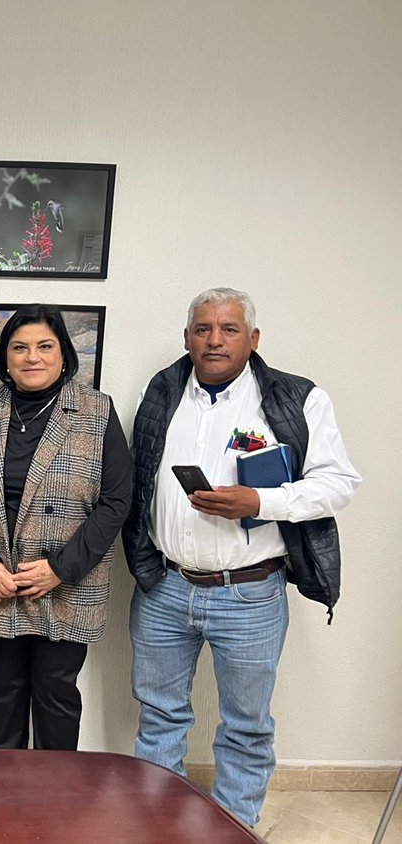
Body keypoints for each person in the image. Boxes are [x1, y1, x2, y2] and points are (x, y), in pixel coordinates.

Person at [123, 287, 360, 827]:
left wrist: (261, 501)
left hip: (250, 593)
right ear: (187, 338)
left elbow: (339, 483)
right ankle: (157, 829)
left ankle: (234, 828)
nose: (214, 340)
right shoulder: (161, 391)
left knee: (246, 725)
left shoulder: (295, 399)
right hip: (163, 587)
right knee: (159, 717)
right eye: (203, 329)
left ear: (253, 339)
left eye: (229, 329)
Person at [0, 305, 131, 751]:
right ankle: (2, 804)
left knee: (57, 699)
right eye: (20, 347)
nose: (33, 357)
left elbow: (116, 501)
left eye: (44, 346)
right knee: (5, 698)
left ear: (64, 355)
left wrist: (60, 569)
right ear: (5, 359)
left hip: (67, 584)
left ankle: (55, 808)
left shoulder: (96, 411)